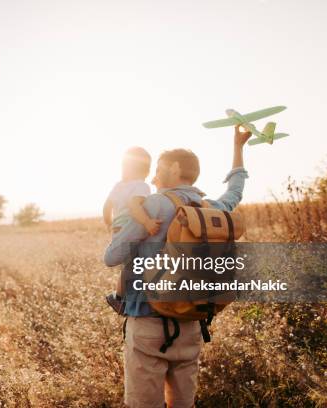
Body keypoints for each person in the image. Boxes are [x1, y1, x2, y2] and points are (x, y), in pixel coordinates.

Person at [103, 126, 252, 408]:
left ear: (173, 168)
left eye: (158, 169)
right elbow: (236, 191)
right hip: (192, 323)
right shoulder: (211, 209)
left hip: (148, 323)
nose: (154, 175)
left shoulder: (154, 204)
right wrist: (238, 148)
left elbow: (112, 257)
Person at [103, 147, 163, 314]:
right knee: (132, 264)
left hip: (117, 228)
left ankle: (122, 297)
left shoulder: (118, 186)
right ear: (146, 170)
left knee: (128, 264)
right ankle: (120, 299)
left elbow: (106, 206)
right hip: (130, 227)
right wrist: (147, 222)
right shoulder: (141, 186)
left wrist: (109, 224)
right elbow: (134, 205)